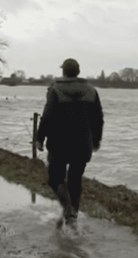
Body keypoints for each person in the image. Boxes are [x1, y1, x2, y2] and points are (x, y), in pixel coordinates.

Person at [35, 58, 104, 229]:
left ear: (63, 72)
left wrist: (39, 138)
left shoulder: (55, 90)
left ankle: (68, 211)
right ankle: (73, 219)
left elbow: (47, 117)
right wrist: (96, 140)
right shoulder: (92, 91)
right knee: (75, 181)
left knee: (54, 179)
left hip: (59, 144)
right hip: (83, 144)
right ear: (78, 72)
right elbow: (99, 119)